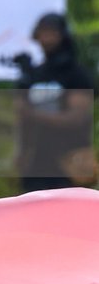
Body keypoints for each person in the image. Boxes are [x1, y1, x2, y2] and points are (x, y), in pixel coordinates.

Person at [14, 13, 96, 194]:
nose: (46, 39)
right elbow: (23, 120)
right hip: (38, 162)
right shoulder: (34, 75)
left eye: (51, 33)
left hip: (70, 160)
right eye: (42, 34)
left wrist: (33, 114)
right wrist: (22, 152)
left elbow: (77, 117)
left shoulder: (76, 74)